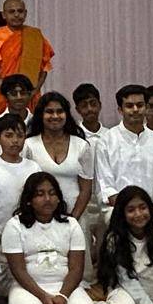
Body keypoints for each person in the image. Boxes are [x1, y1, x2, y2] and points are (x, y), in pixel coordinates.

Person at [2, 173, 99, 304]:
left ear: (59, 198)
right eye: (40, 194)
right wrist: (43, 297)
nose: (47, 199)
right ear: (29, 200)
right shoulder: (14, 226)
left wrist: (62, 296)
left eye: (52, 193)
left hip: (65, 286)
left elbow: (76, 269)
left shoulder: (71, 224)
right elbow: (18, 270)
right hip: (29, 287)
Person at [24, 91, 95, 232]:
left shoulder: (81, 145)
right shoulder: (28, 145)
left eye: (60, 111)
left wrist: (72, 220)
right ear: (40, 115)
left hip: (76, 219)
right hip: (39, 221)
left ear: (67, 115)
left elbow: (86, 189)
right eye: (49, 112)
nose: (55, 116)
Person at [96, 84, 153, 208]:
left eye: (140, 105)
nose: (135, 110)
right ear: (120, 110)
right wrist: (127, 212)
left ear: (146, 107)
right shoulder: (106, 141)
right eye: (129, 106)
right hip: (116, 211)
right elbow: (106, 187)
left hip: (151, 212)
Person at [0, 0, 53, 113]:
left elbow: (44, 68)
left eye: (20, 11)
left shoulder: (35, 35)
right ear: (4, 15)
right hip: (4, 95)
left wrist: (33, 92)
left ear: (25, 14)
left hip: (30, 94)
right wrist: (9, 92)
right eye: (12, 12)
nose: (16, 15)